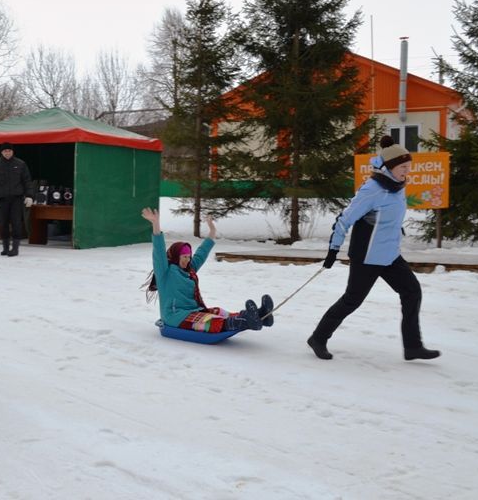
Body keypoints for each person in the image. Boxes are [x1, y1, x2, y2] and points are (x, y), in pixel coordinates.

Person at [307, 139, 441, 362]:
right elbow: (344, 219)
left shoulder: (396, 186)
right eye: (403, 167)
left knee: (412, 291)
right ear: (389, 167)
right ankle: (318, 338)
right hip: (367, 257)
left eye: (409, 167)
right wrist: (333, 250)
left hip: (389, 254)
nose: (408, 171)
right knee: (352, 300)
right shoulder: (372, 190)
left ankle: (413, 346)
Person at [141, 207, 274, 333]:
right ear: (175, 256)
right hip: (175, 316)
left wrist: (212, 231)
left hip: (195, 310)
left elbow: (202, 253)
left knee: (220, 312)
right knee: (210, 321)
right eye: (183, 257)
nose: (187, 260)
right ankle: (245, 320)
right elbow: (158, 251)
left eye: (188, 257)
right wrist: (155, 223)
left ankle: (262, 315)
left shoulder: (189, 270)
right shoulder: (165, 272)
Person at [0, 142, 34, 257]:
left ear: (13, 151)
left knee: (16, 223)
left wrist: (29, 196)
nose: (7, 153)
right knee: (3, 224)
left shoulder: (20, 164)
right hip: (2, 199)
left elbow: (27, 181)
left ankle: (15, 248)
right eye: (5, 151)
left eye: (9, 151)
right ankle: (5, 247)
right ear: (2, 152)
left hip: (16, 198)